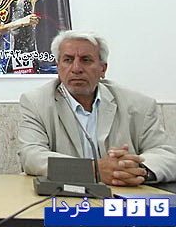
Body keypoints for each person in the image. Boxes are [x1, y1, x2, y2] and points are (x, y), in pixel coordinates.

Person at [18, 30, 176, 186]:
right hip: (63, 194)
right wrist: (93, 171)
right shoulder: (36, 102)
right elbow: (31, 156)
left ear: (103, 69)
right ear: (58, 68)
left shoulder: (138, 104)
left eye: (86, 60)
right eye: (68, 60)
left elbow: (167, 154)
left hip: (123, 193)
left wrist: (135, 170)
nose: (76, 68)